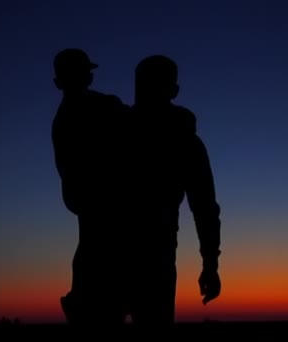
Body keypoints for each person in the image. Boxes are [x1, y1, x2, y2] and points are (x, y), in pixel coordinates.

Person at [125, 54, 222, 335]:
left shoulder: (115, 130)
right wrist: (210, 265)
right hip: (148, 257)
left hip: (121, 256)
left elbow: (205, 209)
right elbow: (205, 210)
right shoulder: (186, 142)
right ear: (174, 91)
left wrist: (210, 264)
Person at [50, 48, 131, 330]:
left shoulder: (92, 107)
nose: (88, 76)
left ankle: (94, 309)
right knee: (98, 260)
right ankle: (92, 312)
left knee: (95, 256)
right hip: (98, 202)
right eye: (84, 71)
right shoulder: (91, 109)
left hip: (95, 202)